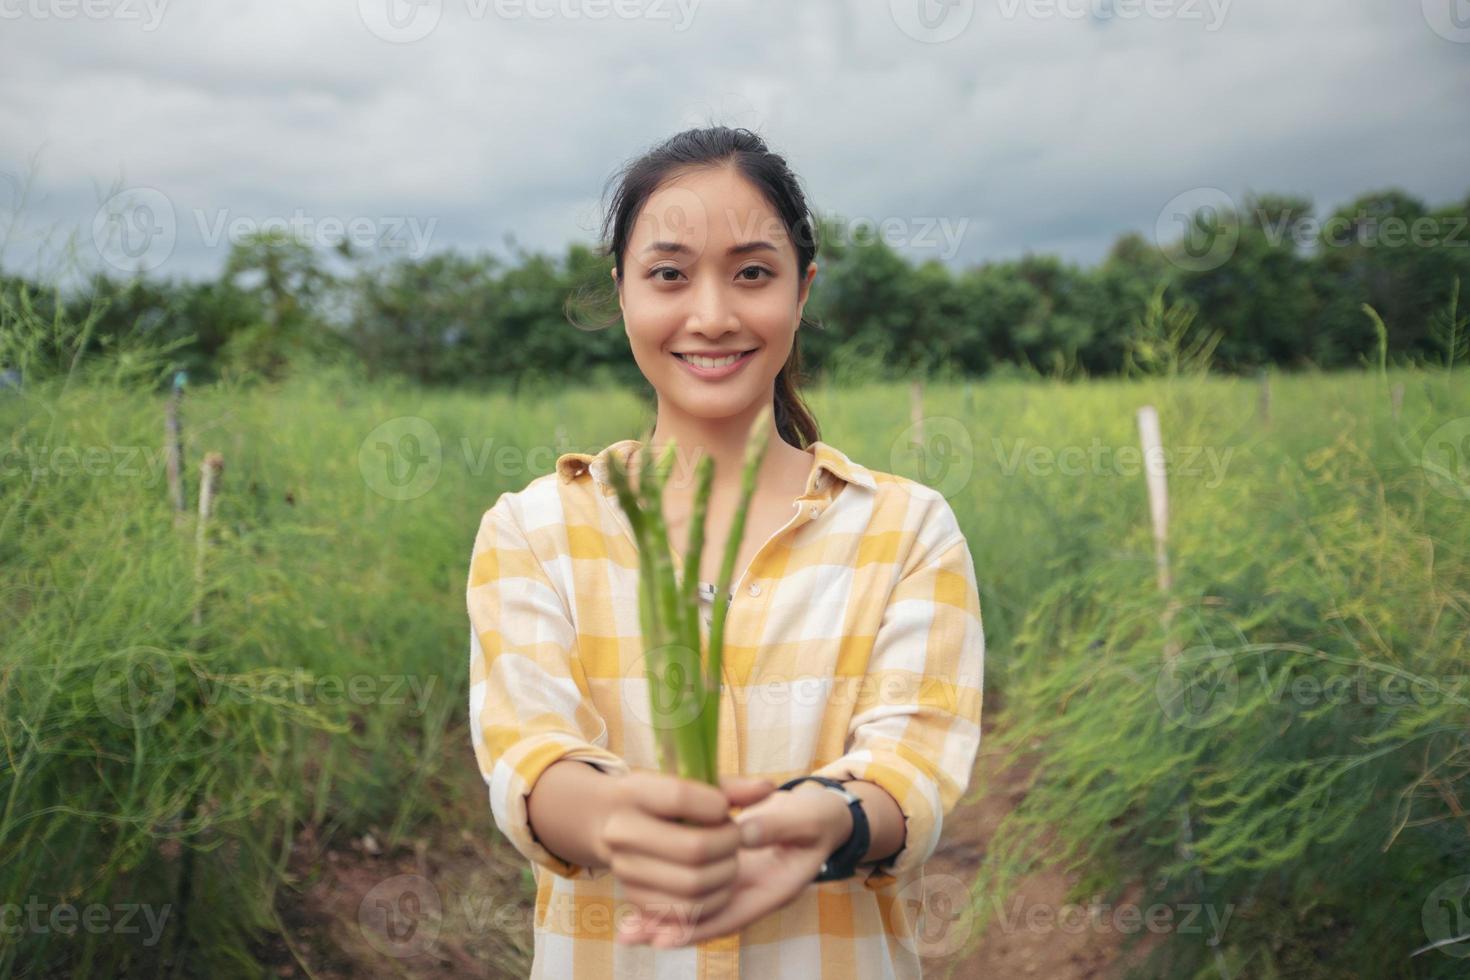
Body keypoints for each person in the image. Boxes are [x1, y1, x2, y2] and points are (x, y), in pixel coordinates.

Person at [466, 126, 984, 978]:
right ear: (623, 293)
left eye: (753, 272)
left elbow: (913, 764)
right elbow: (531, 756)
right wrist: (616, 817)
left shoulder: (907, 530)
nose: (712, 315)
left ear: (802, 289)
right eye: (668, 274)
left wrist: (828, 820)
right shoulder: (535, 531)